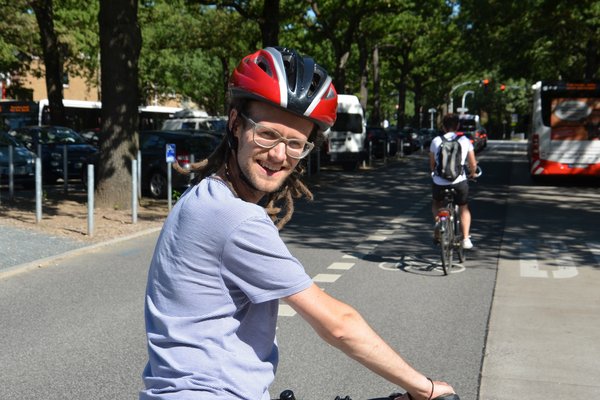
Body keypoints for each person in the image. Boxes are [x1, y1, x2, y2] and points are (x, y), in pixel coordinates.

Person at [140, 46, 456, 400]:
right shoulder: (235, 218)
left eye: (295, 143)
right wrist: (423, 388)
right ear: (235, 123)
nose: (279, 155)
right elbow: (338, 325)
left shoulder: (201, 198)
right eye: (268, 134)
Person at [429, 113, 478, 249]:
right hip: (459, 182)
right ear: (457, 126)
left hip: (439, 182)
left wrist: (434, 173)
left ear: (443, 126)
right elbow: (472, 163)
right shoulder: (464, 140)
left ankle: (438, 222)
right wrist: (473, 173)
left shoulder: (436, 141)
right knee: (463, 207)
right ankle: (466, 239)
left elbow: (432, 165)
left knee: (436, 203)